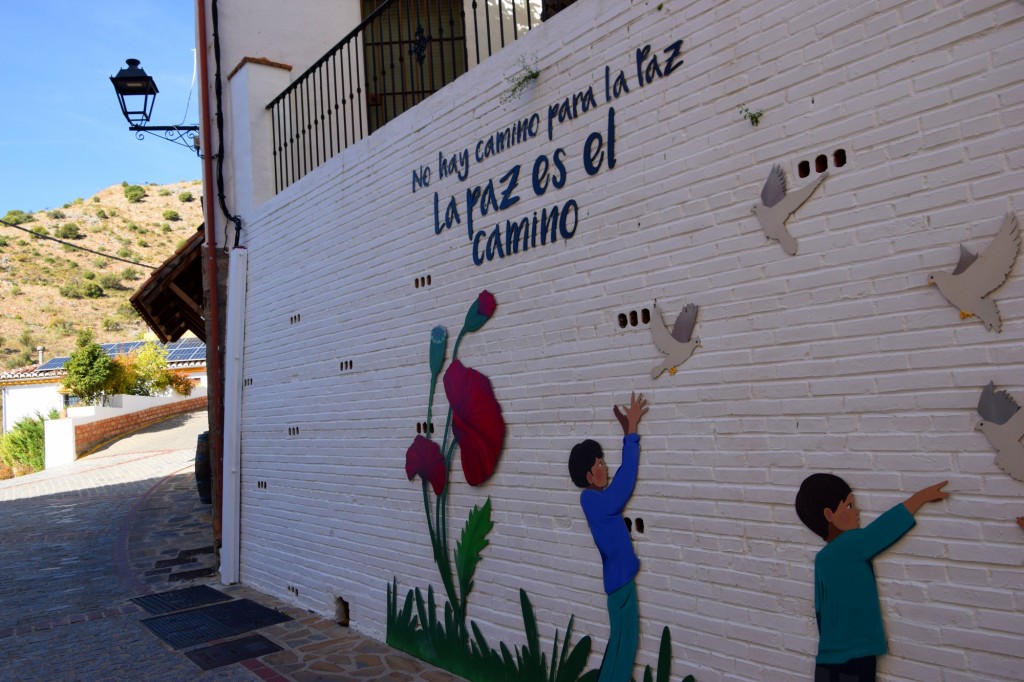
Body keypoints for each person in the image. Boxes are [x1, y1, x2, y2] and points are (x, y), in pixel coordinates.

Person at [795, 474, 949, 682]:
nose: (857, 511)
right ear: (829, 514)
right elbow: (883, 529)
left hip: (827, 657)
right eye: (849, 507)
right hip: (856, 655)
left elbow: (820, 608)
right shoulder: (851, 545)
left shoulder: (822, 558)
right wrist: (920, 498)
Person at [568, 391, 648, 682]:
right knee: (624, 647)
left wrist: (627, 430)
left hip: (618, 581)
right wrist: (631, 434)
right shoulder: (594, 501)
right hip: (621, 583)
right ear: (589, 476)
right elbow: (625, 482)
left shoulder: (593, 500)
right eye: (600, 464)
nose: (606, 467)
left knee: (618, 645)